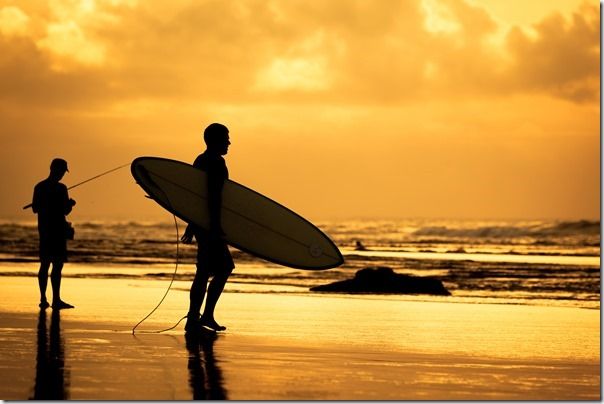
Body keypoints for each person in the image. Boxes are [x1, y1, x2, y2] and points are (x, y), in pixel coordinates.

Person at [181, 123, 234, 334]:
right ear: (215, 140)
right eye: (226, 138)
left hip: (202, 224)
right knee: (223, 268)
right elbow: (212, 197)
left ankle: (196, 318)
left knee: (204, 271)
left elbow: (195, 196)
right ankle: (202, 317)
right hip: (210, 225)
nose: (229, 142)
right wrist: (215, 225)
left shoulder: (200, 160)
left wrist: (192, 223)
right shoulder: (216, 163)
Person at [32, 158, 76, 310]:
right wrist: (70, 204)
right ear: (55, 169)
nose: (63, 174)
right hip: (56, 231)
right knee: (56, 265)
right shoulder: (61, 188)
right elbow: (65, 211)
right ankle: (55, 300)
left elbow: (35, 208)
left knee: (45, 264)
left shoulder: (39, 186)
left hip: (44, 230)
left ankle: (45, 299)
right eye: (62, 171)